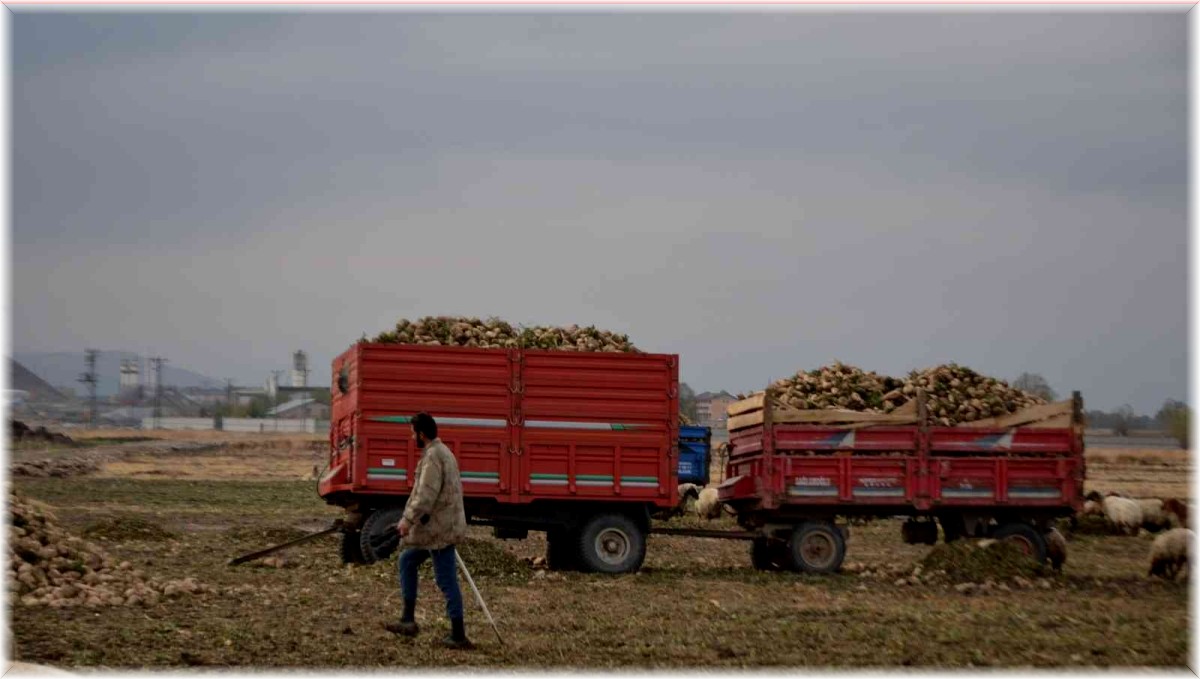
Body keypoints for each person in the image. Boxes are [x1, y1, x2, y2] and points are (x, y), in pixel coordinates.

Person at [383, 412, 472, 649]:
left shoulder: (433, 457)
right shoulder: (444, 452)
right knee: (407, 561)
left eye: (413, 433)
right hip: (438, 526)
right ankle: (408, 620)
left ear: (421, 434)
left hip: (439, 530)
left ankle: (458, 634)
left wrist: (406, 522)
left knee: (446, 580)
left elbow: (425, 496)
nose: (412, 437)